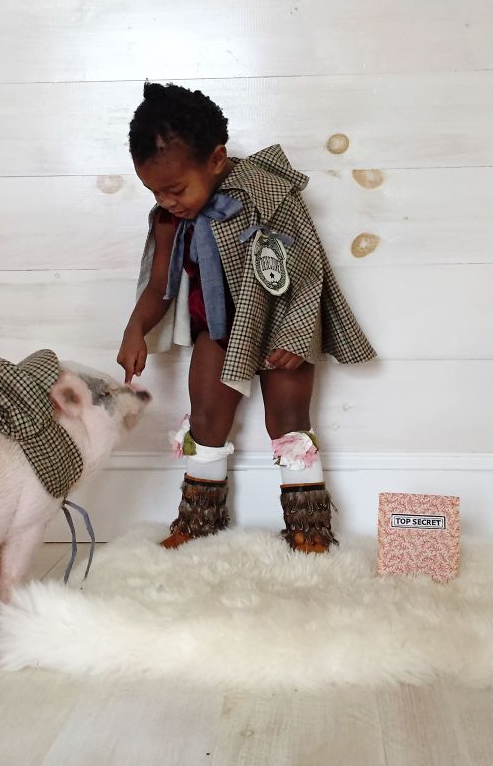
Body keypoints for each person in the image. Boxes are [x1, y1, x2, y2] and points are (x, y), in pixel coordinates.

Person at [117, 82, 376, 553]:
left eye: (175, 188)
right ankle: (199, 521)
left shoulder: (266, 193)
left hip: (281, 323)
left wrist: (299, 336)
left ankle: (309, 528)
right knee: (207, 418)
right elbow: (160, 286)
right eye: (154, 190)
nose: (167, 200)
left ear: (216, 159)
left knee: (289, 419)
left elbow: (305, 269)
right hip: (217, 331)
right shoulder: (169, 217)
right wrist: (135, 328)